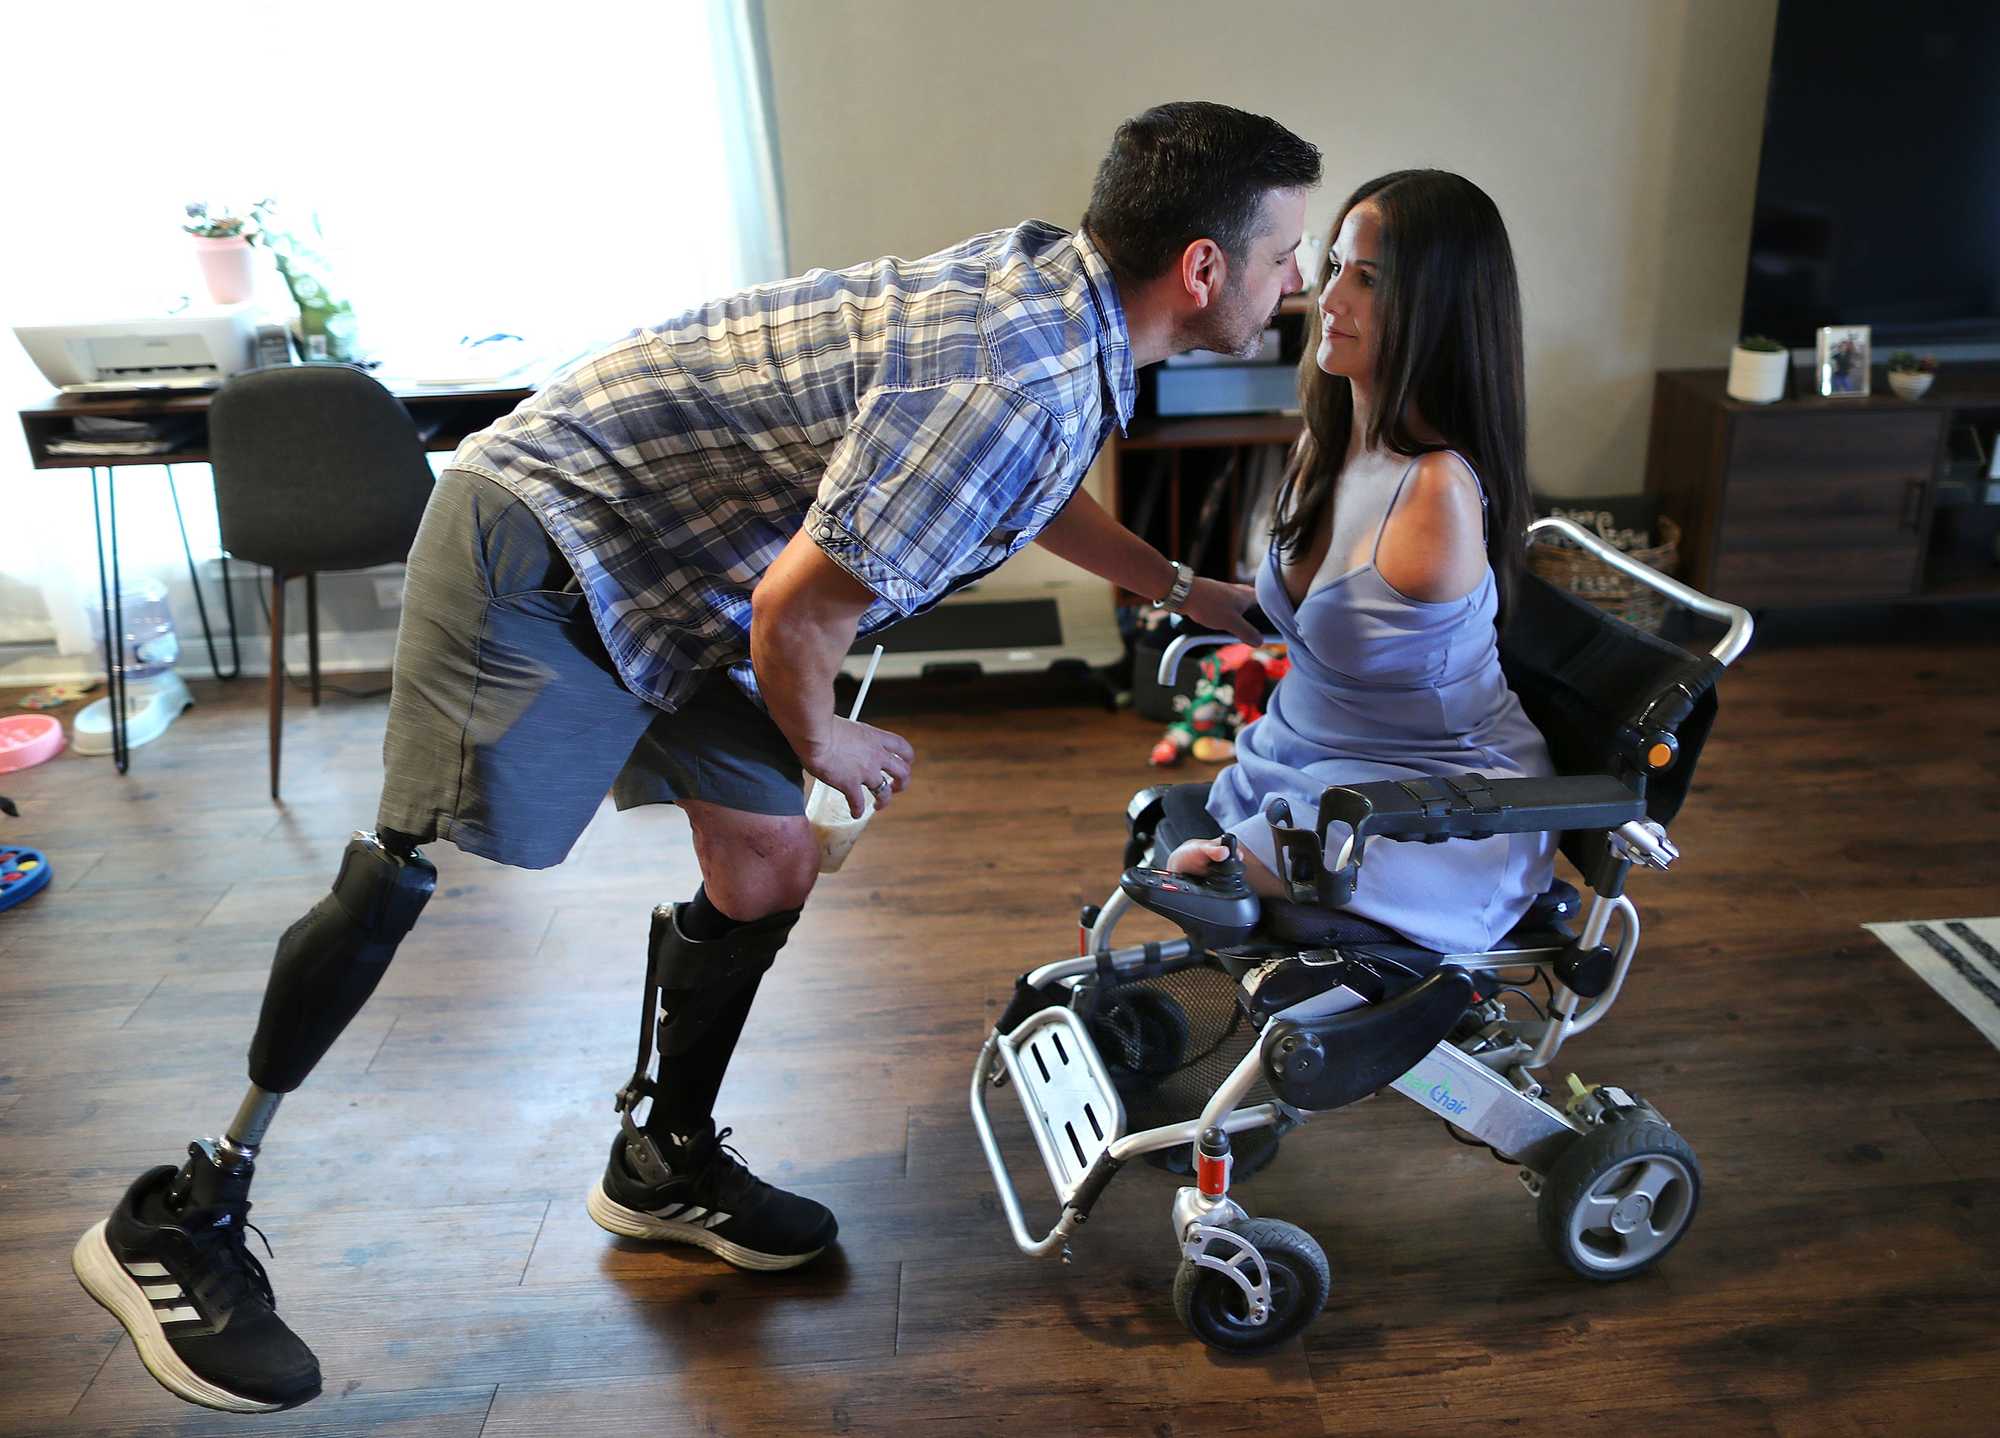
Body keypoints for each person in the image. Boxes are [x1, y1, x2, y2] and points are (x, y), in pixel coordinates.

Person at [68, 101, 1320, 1413]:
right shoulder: (1018, 376)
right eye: (1284, 250)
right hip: (543, 539)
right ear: (1200, 267)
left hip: (673, 576)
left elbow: (1020, 477)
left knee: (771, 855)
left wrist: (1182, 584)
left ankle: (662, 1159)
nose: (1291, 281)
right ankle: (180, 1211)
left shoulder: (1061, 318)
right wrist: (824, 734)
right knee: (402, 866)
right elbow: (800, 613)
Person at [1167, 169, 1558, 958]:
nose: (1331, 296)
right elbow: (1346, 626)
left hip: (1428, 810)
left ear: (1438, 307)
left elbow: (1372, 638)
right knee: (1182, 871)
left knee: (1190, 878)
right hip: (1298, 763)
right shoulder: (1328, 434)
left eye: (1369, 279)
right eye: (1336, 264)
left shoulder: (1438, 493)